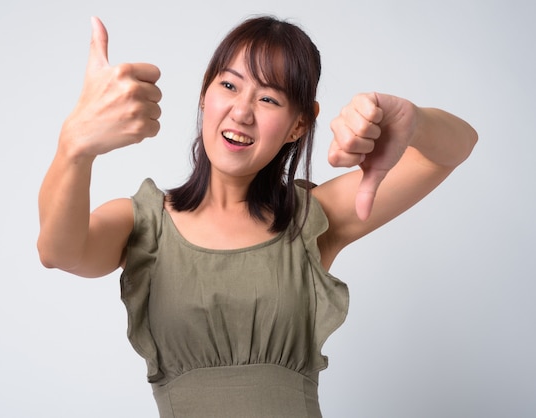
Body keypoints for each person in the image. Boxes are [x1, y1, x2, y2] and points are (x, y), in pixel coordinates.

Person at [37, 15, 477, 418]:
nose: (242, 111)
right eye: (229, 86)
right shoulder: (144, 223)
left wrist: (414, 120)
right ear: (204, 94)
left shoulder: (312, 222)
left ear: (299, 125)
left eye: (269, 98)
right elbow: (59, 250)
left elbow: (455, 149)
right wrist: (75, 147)